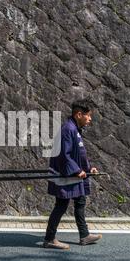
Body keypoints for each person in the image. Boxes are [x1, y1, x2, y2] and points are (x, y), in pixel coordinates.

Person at [43, 98, 102, 250]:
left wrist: (88, 169)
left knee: (80, 201)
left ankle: (84, 235)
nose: (90, 119)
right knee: (61, 205)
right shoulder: (68, 129)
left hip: (73, 173)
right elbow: (65, 154)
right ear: (78, 114)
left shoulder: (74, 129)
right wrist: (77, 170)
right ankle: (49, 238)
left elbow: (79, 154)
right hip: (64, 173)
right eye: (88, 115)